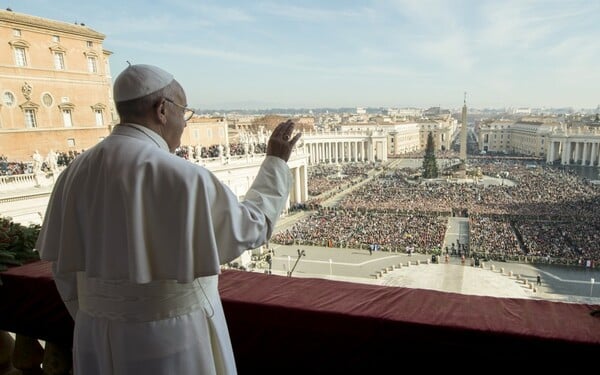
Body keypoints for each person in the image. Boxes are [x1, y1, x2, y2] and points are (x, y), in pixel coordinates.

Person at [36, 63, 302, 375]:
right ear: (163, 109)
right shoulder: (183, 176)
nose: (185, 124)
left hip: (94, 336)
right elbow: (251, 227)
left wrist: (98, 315)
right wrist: (274, 162)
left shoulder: (73, 173)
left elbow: (64, 271)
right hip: (172, 338)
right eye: (184, 113)